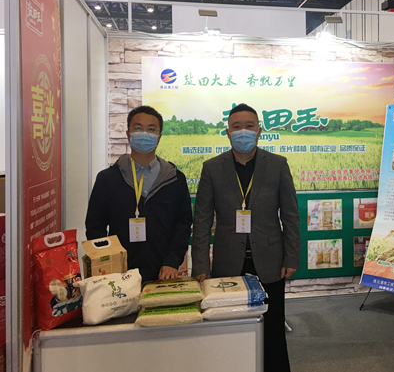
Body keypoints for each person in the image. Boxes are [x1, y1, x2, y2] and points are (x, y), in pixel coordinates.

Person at [192, 103, 300, 372]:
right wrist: (201, 264)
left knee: (272, 327)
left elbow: (290, 215)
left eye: (249, 126)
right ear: (228, 132)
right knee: (230, 327)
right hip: (228, 263)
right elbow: (202, 220)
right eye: (237, 127)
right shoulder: (212, 168)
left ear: (259, 131)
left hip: (270, 260)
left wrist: (292, 257)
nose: (243, 132)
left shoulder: (277, 165)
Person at [85, 105, 192, 284]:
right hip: (118, 274)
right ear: (128, 134)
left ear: (159, 137)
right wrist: (106, 263)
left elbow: (183, 224)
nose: (144, 134)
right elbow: (95, 226)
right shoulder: (107, 178)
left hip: (163, 272)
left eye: (151, 129)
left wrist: (172, 262)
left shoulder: (174, 178)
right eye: (138, 128)